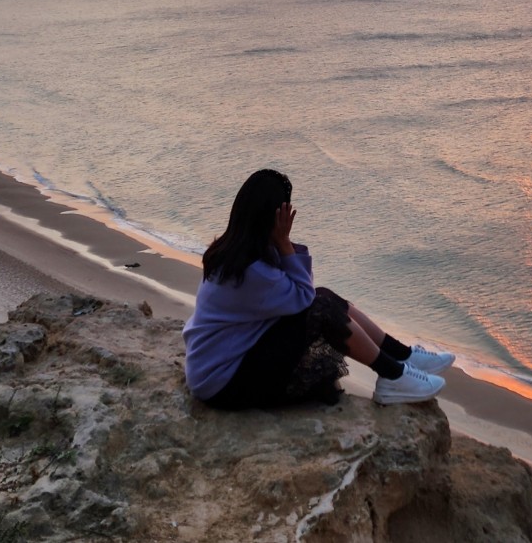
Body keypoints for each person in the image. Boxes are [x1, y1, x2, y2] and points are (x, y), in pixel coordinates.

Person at [183, 168, 454, 409]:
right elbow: (303, 296)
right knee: (320, 308)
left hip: (220, 367)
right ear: (274, 218)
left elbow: (304, 292)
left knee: (323, 297)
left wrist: (280, 245)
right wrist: (285, 243)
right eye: (284, 212)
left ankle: (402, 357)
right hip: (224, 384)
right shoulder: (250, 272)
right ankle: (393, 376)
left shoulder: (236, 253)